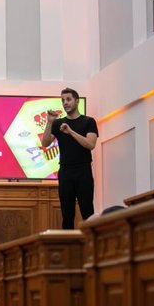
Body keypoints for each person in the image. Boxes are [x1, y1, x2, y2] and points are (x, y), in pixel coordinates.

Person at [42, 87, 98, 229]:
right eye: (62, 100)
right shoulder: (58, 123)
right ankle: (69, 249)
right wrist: (49, 122)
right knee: (67, 214)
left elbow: (90, 144)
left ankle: (91, 246)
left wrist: (70, 131)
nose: (65, 103)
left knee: (87, 212)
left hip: (83, 171)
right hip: (65, 172)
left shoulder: (88, 121)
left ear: (76, 101)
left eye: (68, 99)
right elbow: (45, 143)